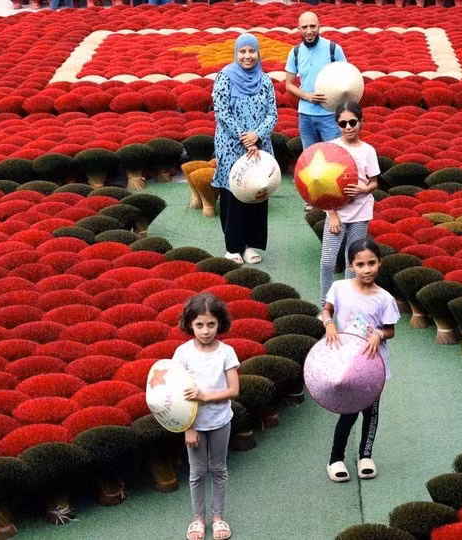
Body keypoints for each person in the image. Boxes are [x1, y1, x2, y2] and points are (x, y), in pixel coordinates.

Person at [320, 238, 400, 483]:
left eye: (372, 263)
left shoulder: (384, 298)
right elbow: (327, 310)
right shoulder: (340, 288)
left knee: (371, 411)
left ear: (379, 263)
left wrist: (378, 333)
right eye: (361, 264)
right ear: (351, 265)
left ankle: (366, 456)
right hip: (346, 362)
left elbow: (390, 330)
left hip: (373, 364)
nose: (367, 269)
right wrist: (329, 324)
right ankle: (336, 459)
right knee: (349, 411)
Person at [173, 293, 240, 540]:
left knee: (219, 469)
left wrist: (204, 397)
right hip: (195, 425)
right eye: (199, 324)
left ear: (219, 323)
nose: (205, 330)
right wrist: (188, 427)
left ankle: (218, 516)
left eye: (211, 324)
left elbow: (233, 390)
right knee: (197, 471)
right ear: (190, 323)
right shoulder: (182, 353)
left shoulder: (226, 352)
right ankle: (198, 518)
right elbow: (176, 393)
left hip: (221, 421)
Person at [212, 33, 278, 265]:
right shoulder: (225, 77)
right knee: (233, 194)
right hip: (231, 147)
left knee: (256, 193)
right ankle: (233, 247)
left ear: (258, 53)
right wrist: (244, 138)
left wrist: (257, 136)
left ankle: (249, 244)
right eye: (243, 51)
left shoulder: (265, 80)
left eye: (252, 51)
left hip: (260, 148)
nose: (247, 56)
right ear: (236, 53)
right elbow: (222, 112)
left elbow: (273, 113)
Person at [320, 101, 379, 308]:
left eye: (352, 122)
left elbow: (373, 182)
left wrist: (363, 190)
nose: (348, 127)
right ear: (337, 125)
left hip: (361, 212)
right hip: (337, 214)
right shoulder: (332, 148)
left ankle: (346, 306)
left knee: (351, 263)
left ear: (361, 122)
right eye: (343, 123)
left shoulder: (368, 151)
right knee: (327, 262)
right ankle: (325, 307)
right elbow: (322, 186)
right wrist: (332, 213)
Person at [284, 11, 346, 151]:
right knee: (310, 157)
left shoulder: (333, 49)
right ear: (299, 29)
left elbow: (346, 78)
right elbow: (289, 84)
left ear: (319, 26)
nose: (309, 31)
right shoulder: (295, 52)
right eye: (304, 27)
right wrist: (307, 96)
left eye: (313, 26)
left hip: (329, 114)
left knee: (334, 154)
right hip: (305, 115)